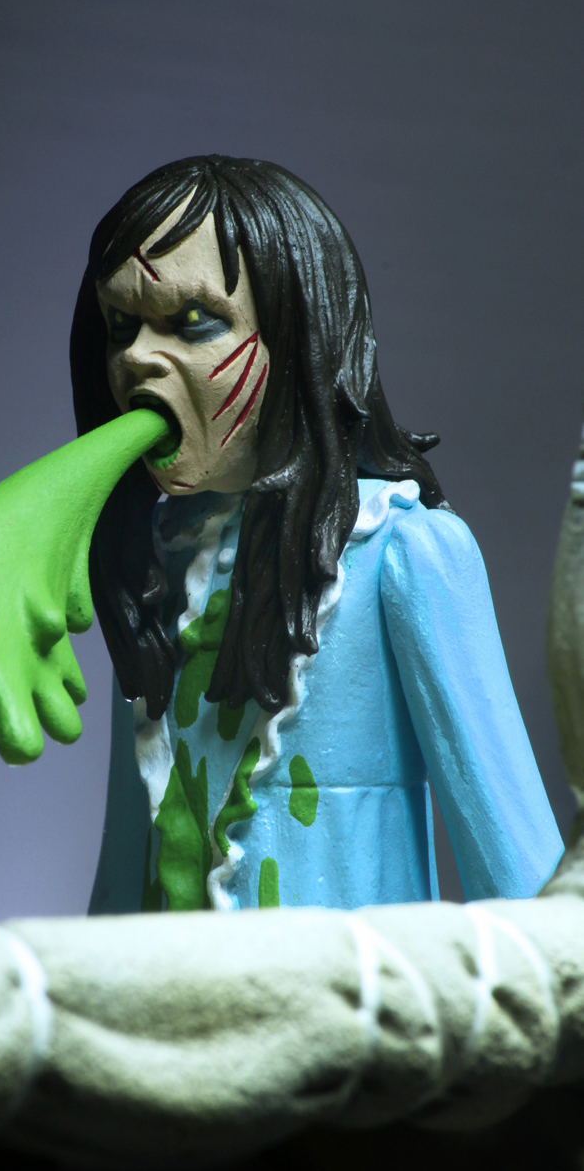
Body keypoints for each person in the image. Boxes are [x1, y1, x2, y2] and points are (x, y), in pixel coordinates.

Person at [71, 156, 563, 913]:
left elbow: (515, 863)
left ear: (298, 336)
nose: (136, 357)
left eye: (192, 322)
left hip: (356, 986)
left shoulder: (402, 554)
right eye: (120, 326)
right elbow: (124, 861)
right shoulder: (155, 570)